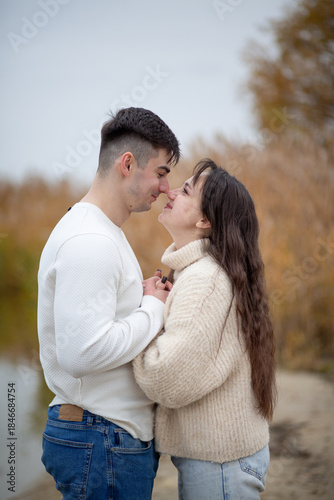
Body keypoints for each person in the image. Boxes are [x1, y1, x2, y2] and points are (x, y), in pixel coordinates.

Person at [37, 107, 180, 500]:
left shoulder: (102, 232)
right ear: (127, 163)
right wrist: (152, 309)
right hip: (101, 438)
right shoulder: (91, 241)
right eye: (162, 172)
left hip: (105, 436)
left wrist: (143, 298)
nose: (167, 188)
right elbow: (82, 352)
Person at [133, 158, 277, 500]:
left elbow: (166, 378)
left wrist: (148, 313)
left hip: (221, 467)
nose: (170, 190)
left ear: (204, 220)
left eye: (185, 190)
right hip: (224, 463)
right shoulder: (203, 272)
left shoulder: (205, 280)